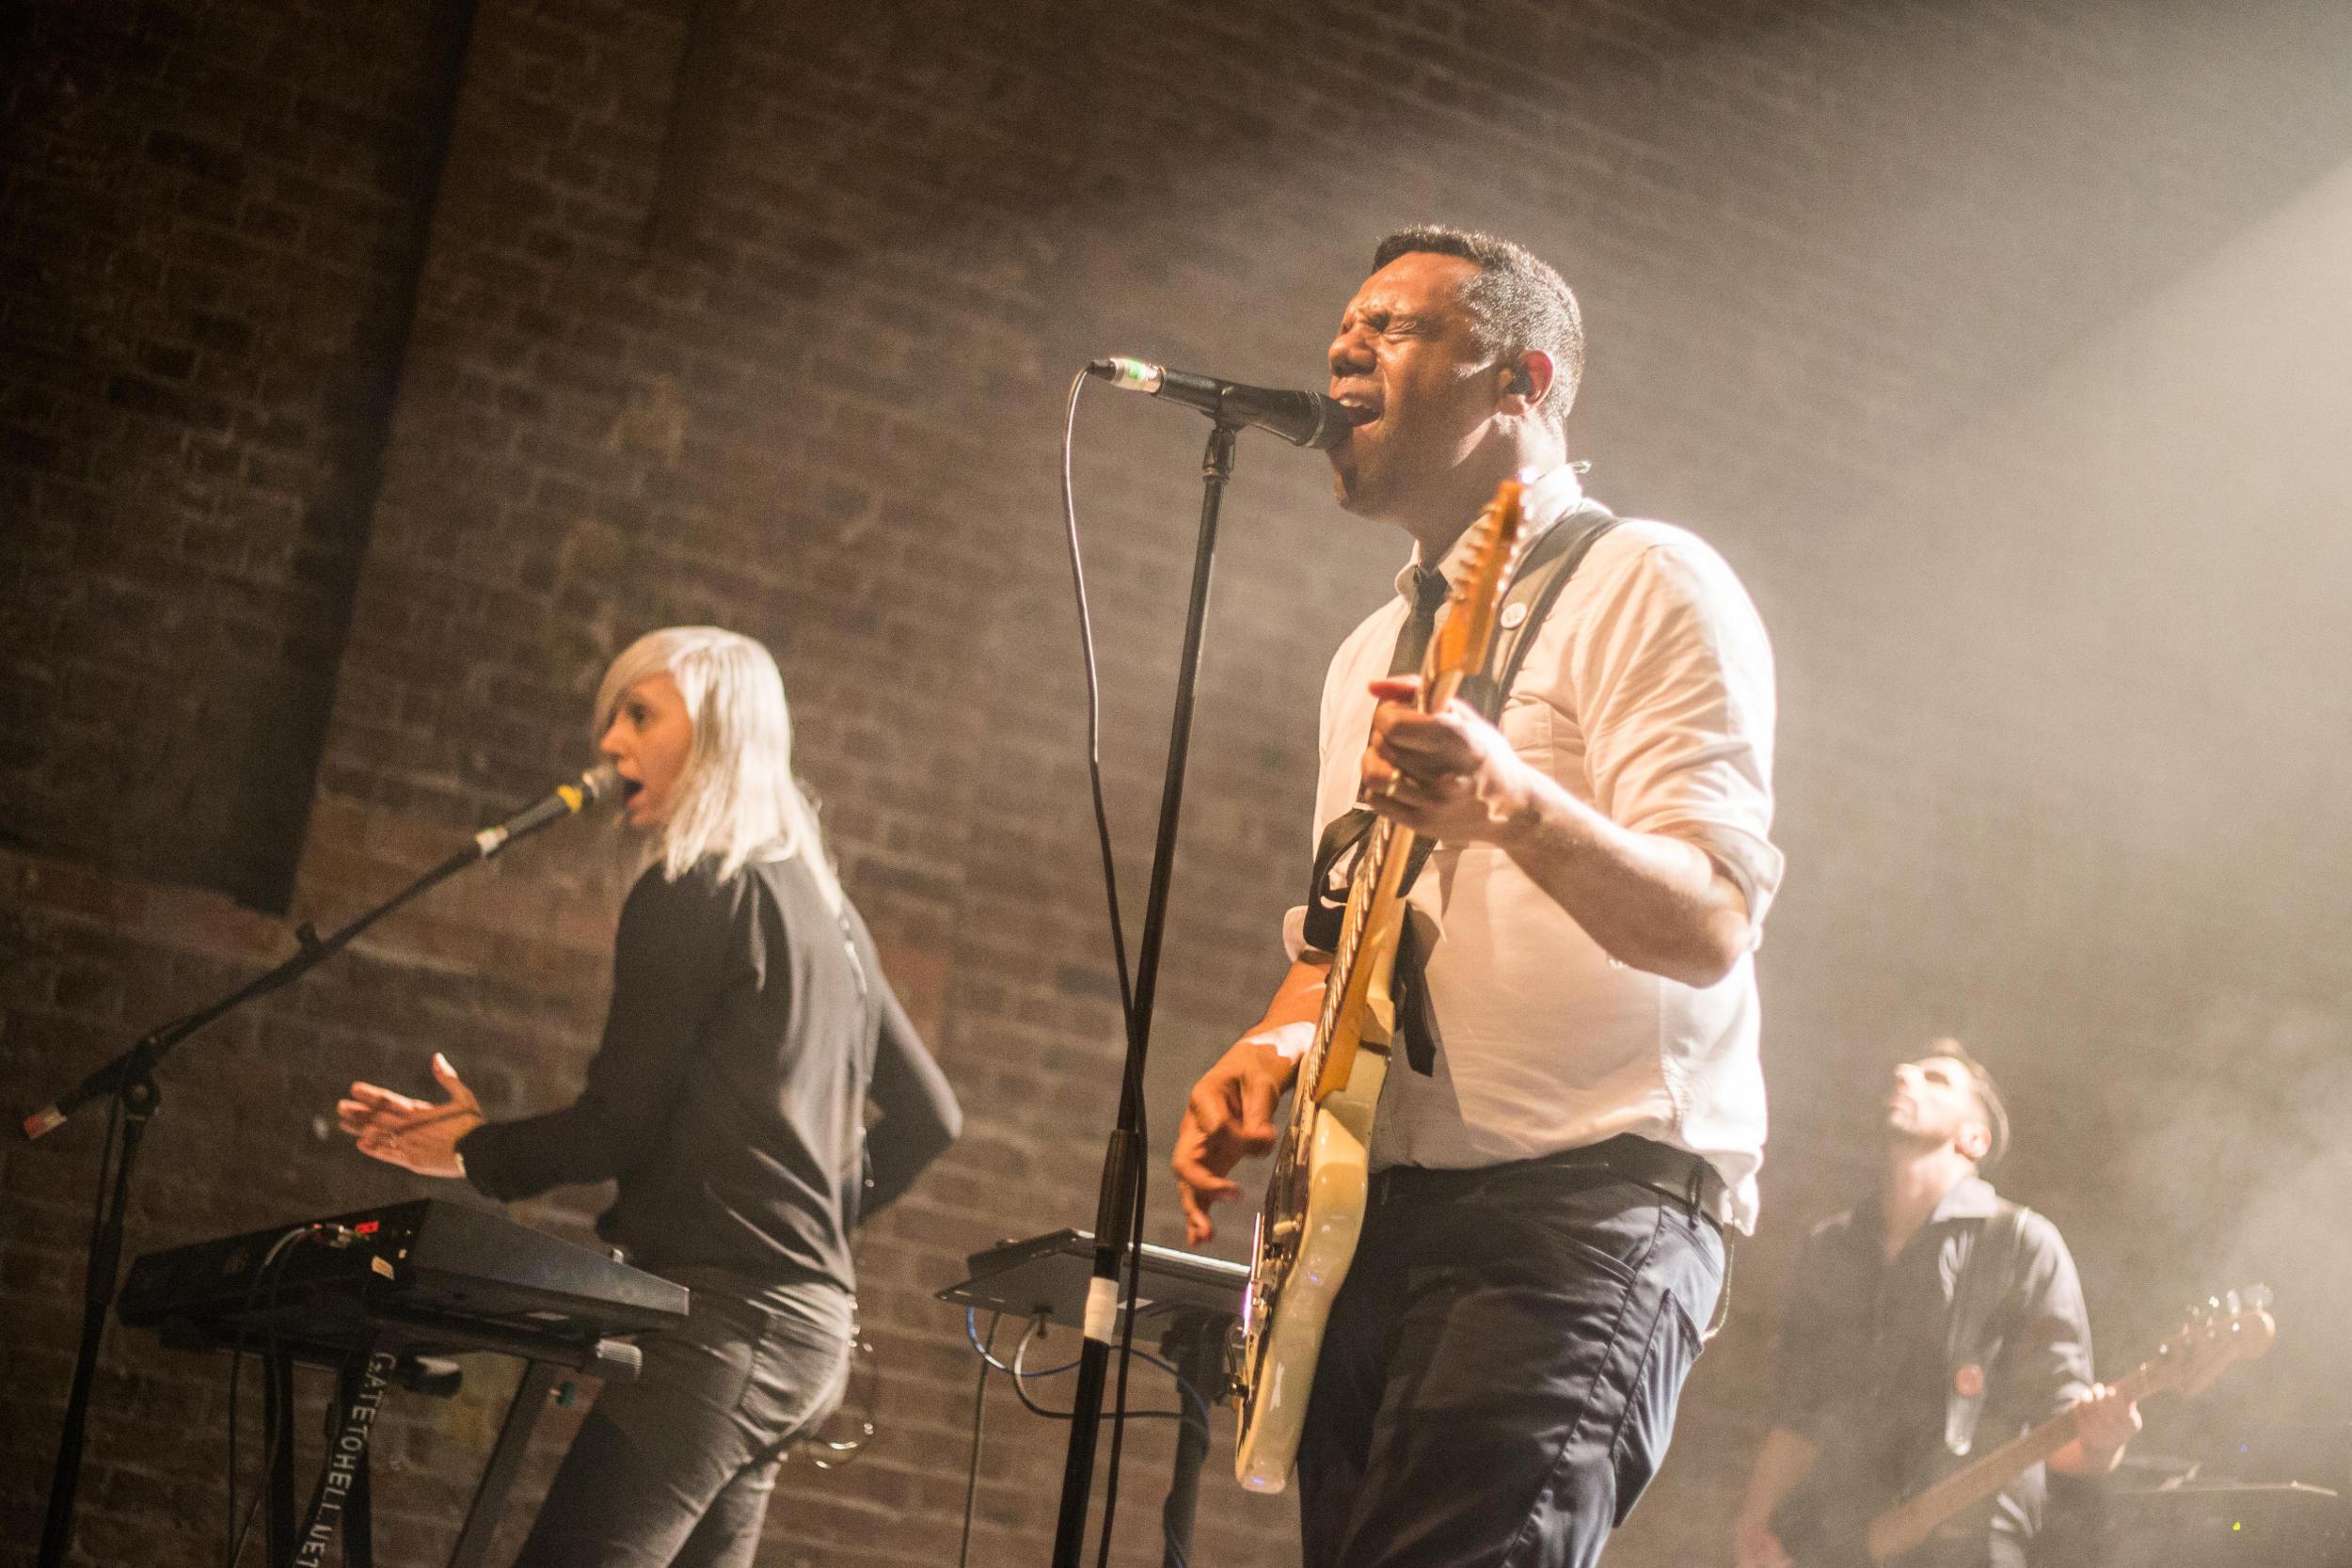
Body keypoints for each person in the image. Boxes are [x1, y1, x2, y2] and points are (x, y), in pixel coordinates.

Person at [1170, 226, 1784, 1568]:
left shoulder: (1649, 578)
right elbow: (1346, 940)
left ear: (1523, 380)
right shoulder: (1363, 657)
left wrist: (1512, 803)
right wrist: (1274, 1043)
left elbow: (1709, 920)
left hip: (1584, 1213)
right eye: (1346, 323)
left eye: (1395, 327)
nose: (1344, 344)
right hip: (1385, 1225)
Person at [334, 626, 961, 1568]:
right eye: (611, 720)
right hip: (804, 1335)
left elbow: (618, 1122)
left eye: (638, 714)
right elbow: (931, 1118)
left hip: (725, 1334)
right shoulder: (831, 912)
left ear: (718, 730)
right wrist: (805, 1221)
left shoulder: (691, 885)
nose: (611, 744)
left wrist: (472, 1148)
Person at [1729, 1042, 2141, 1568]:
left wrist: (2105, 1441)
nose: (1904, 1074)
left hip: (1965, 1545)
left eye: (1936, 1079)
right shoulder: (1833, 1245)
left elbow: (2061, 1428)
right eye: (1905, 1070)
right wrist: (1755, 1523)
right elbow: (1800, 1415)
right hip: (1830, 1539)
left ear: (1974, 1137)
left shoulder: (2020, 1243)